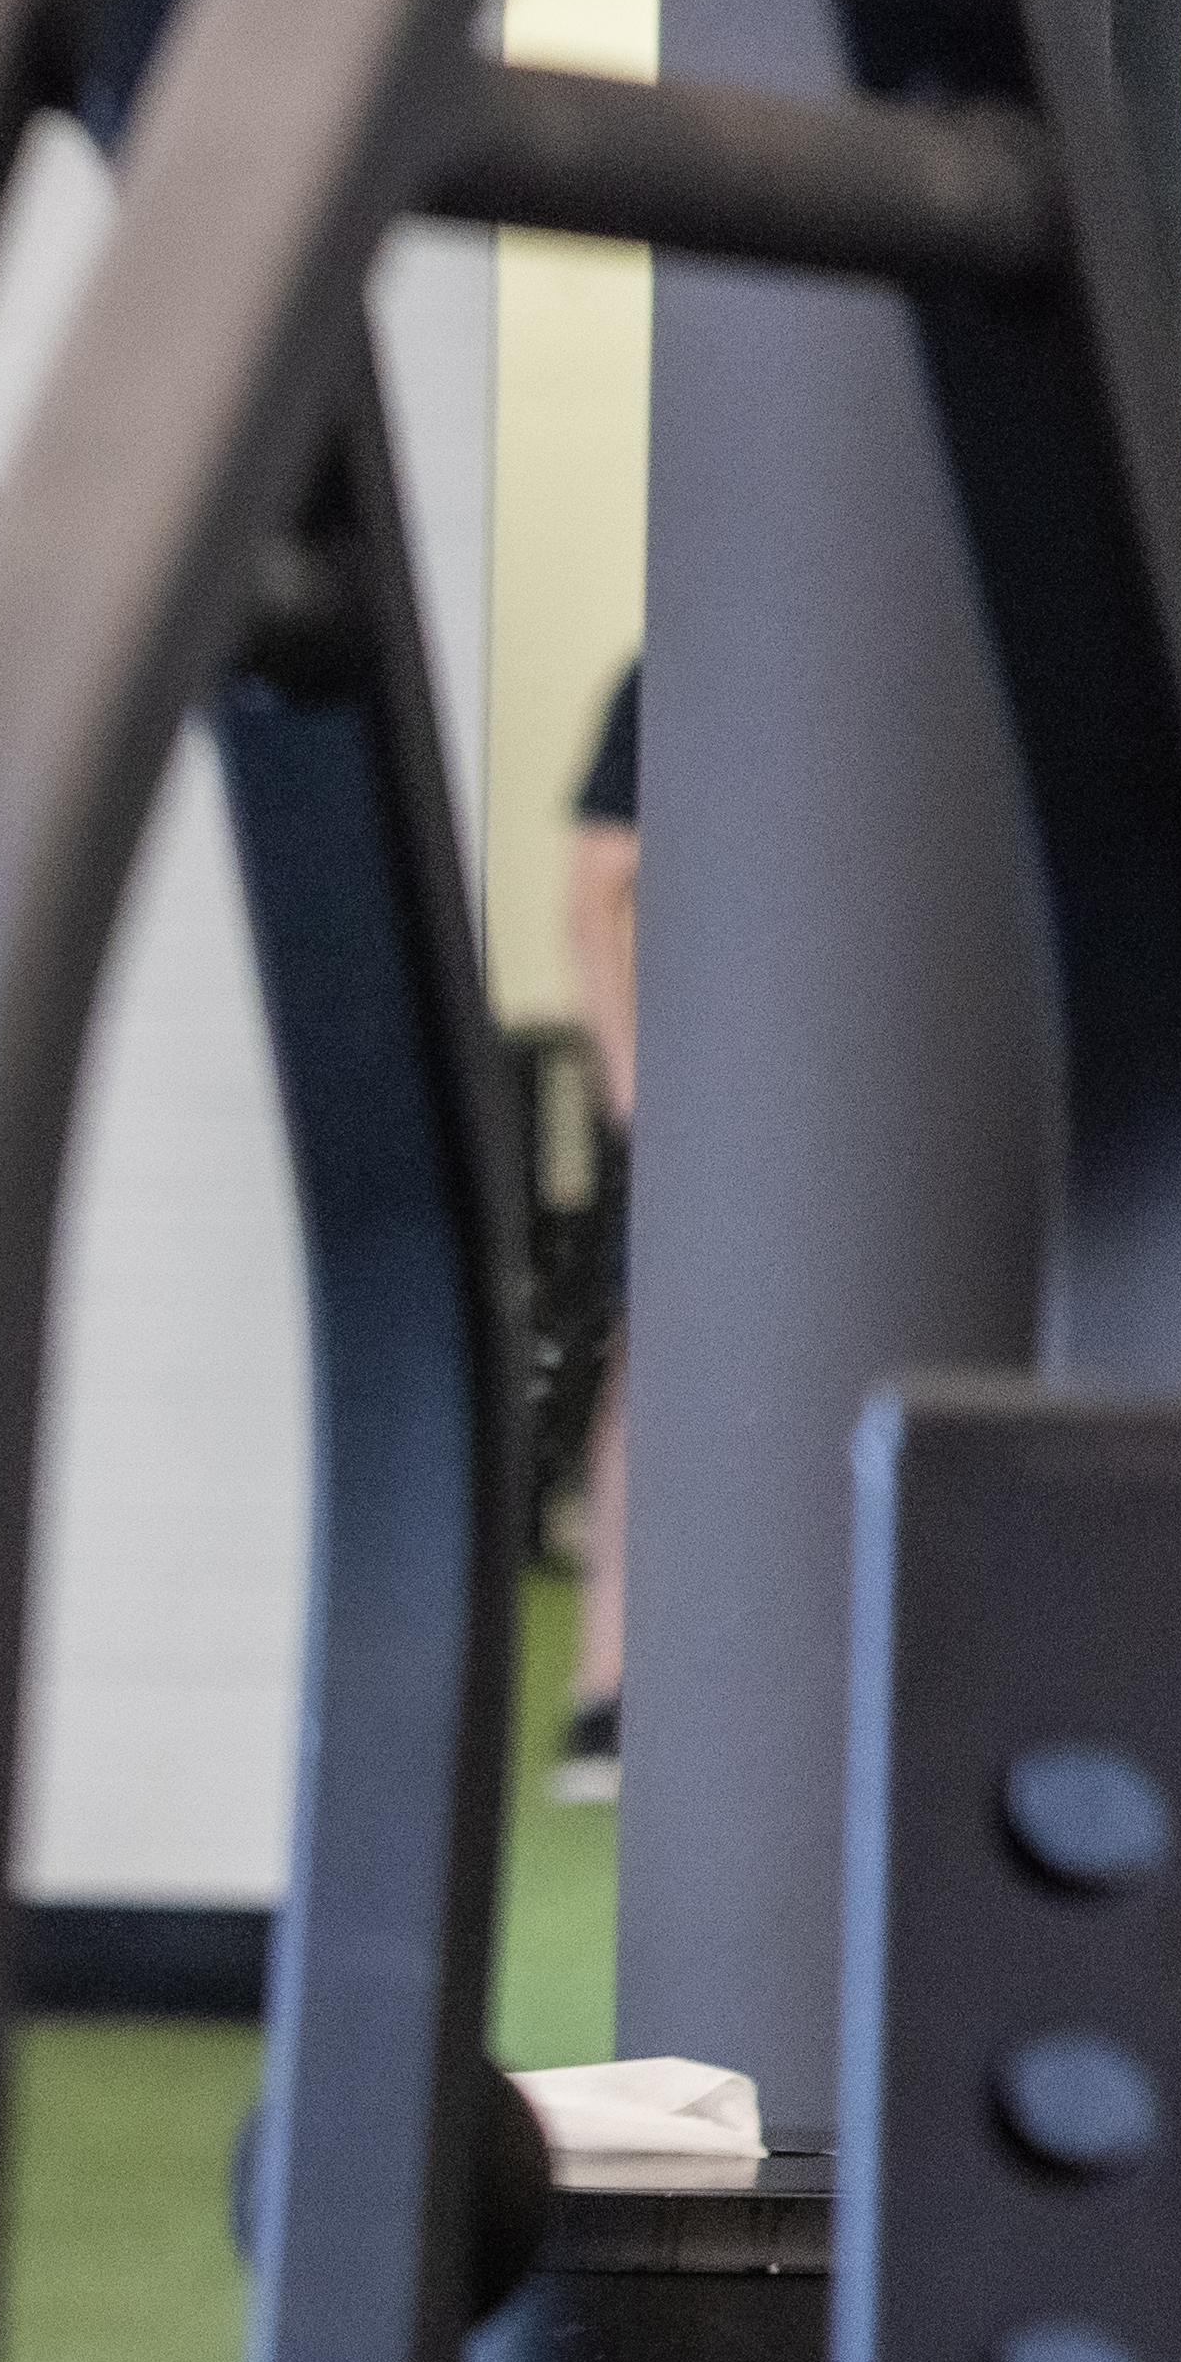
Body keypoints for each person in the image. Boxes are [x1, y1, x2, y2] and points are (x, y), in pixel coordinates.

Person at [557, 653, 639, 1800]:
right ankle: (603, 1693)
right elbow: (589, 893)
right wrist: (630, 1071)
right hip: (704, 1080)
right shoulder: (667, 674)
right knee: (655, 1361)